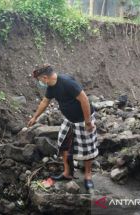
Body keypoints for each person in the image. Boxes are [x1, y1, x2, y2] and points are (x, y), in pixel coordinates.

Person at [27, 64, 99, 192]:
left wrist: (88, 122)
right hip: (69, 120)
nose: (40, 83)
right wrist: (34, 117)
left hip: (83, 119)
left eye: (39, 80)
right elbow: (45, 102)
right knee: (63, 144)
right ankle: (67, 173)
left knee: (87, 149)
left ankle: (88, 176)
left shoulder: (67, 83)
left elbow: (84, 100)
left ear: (45, 77)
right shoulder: (51, 86)